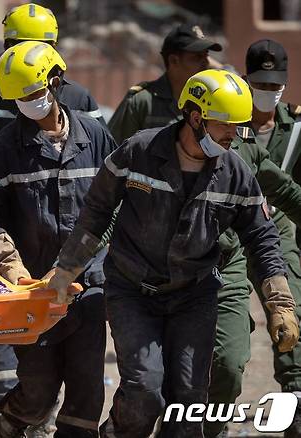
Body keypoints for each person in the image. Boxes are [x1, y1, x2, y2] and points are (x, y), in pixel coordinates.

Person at [48, 69, 298, 437]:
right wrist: (64, 272)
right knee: (145, 390)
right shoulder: (139, 152)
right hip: (132, 291)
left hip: (193, 296)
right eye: (226, 125)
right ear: (196, 117)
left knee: (189, 402)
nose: (235, 134)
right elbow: (96, 213)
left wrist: (281, 305)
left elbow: (261, 237)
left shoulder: (235, 172)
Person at [0, 40, 115, 438]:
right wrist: (13, 268)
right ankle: (8, 425)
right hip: (31, 291)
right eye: (20, 98)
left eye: (35, 93)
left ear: (55, 82)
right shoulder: (3, 150)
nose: (29, 103)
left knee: (87, 390)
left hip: (87, 286)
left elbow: (116, 206)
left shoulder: (95, 137)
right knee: (40, 389)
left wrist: (93, 261)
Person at [242, 39, 301, 437]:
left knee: (291, 308)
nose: (270, 90)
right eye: (262, 83)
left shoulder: (296, 126)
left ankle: (294, 400)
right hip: (226, 229)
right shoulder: (223, 121)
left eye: (276, 83)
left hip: (277, 229)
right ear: (246, 80)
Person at [0, 3, 105, 133]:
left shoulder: (78, 98)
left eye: (37, 47)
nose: (28, 54)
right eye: (21, 45)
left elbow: (100, 149)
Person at [108, 23, 222, 145]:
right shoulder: (142, 102)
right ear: (174, 60)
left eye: (207, 56)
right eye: (197, 57)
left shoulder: (212, 101)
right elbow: (112, 149)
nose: (206, 63)